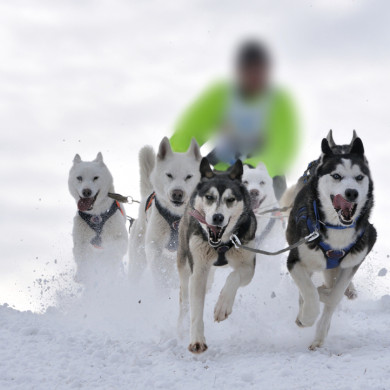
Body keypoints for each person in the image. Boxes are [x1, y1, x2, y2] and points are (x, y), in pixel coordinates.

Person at [170, 40, 299, 199]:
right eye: (249, 71)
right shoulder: (221, 96)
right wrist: (174, 158)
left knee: (273, 202)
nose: (254, 77)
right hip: (224, 174)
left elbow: (283, 146)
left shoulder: (280, 103)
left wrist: (252, 168)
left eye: (259, 72)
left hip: (266, 178)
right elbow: (190, 130)